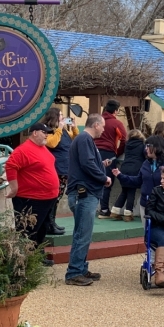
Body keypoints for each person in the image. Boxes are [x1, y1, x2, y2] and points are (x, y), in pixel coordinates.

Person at [65, 114, 112, 286]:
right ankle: (74, 272)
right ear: (96, 125)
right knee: (82, 234)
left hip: (83, 193)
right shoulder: (85, 139)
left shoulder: (83, 139)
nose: (104, 130)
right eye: (103, 126)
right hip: (84, 193)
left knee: (82, 233)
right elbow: (87, 164)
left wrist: (101, 165)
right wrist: (104, 178)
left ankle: (81, 268)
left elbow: (86, 163)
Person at [4, 122, 60, 250]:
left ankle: (37, 255)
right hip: (32, 199)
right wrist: (14, 188)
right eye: (44, 132)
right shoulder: (23, 149)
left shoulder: (42, 147)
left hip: (48, 198)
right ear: (35, 133)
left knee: (42, 230)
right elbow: (11, 166)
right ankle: (27, 257)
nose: (47, 135)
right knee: (28, 231)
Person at [113, 136, 164, 215]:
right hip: (146, 204)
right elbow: (138, 181)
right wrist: (120, 176)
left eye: (148, 146)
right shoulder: (146, 163)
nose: (146, 149)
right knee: (146, 223)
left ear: (156, 147)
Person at [43, 107, 75, 236]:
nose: (63, 117)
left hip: (65, 168)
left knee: (58, 197)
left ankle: (52, 222)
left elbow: (74, 138)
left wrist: (74, 128)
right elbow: (52, 144)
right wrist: (60, 129)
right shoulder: (49, 131)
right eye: (60, 115)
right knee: (53, 197)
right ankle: (49, 225)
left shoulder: (63, 131)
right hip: (56, 168)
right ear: (54, 117)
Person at [94, 100, 127, 219]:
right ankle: (104, 210)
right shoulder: (116, 123)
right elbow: (124, 139)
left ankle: (93, 208)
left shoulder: (97, 121)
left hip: (94, 152)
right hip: (108, 153)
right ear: (116, 111)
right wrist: (117, 152)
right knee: (107, 181)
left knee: (94, 179)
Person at [110, 129, 146, 220]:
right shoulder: (142, 145)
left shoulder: (127, 145)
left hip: (124, 168)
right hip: (135, 169)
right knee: (131, 191)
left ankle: (115, 210)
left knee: (124, 190)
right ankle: (128, 213)